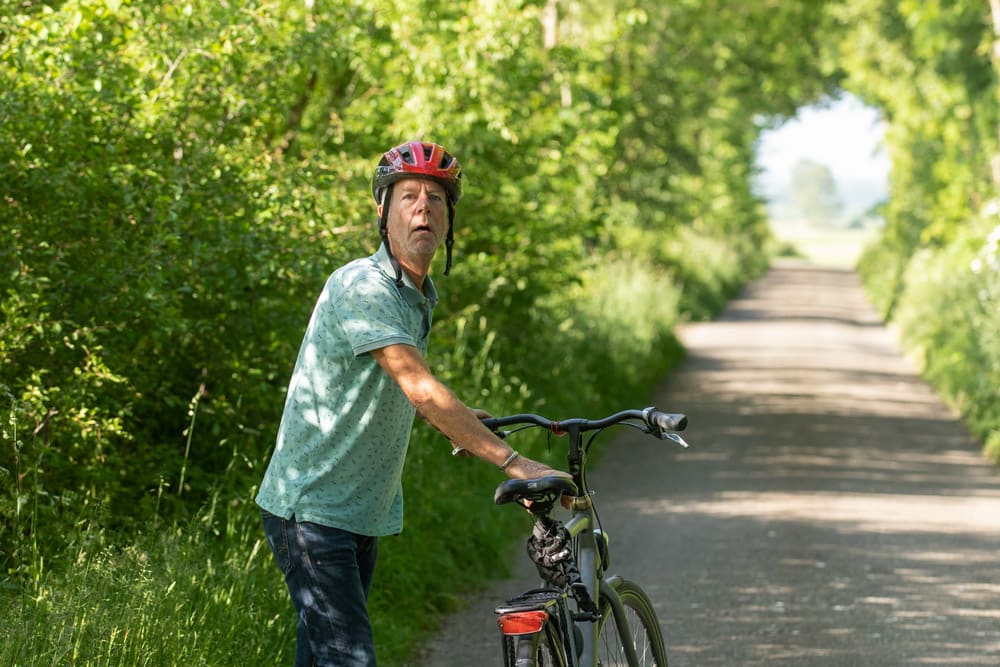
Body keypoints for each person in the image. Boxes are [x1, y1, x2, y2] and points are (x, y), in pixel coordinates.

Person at [255, 140, 567, 666]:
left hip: (355, 511)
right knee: (349, 659)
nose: (424, 206)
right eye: (408, 197)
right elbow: (419, 388)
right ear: (383, 211)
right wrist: (512, 461)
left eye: (436, 199)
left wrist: (463, 423)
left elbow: (405, 386)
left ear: (448, 220)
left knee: (323, 657)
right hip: (311, 511)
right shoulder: (363, 285)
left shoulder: (414, 296)